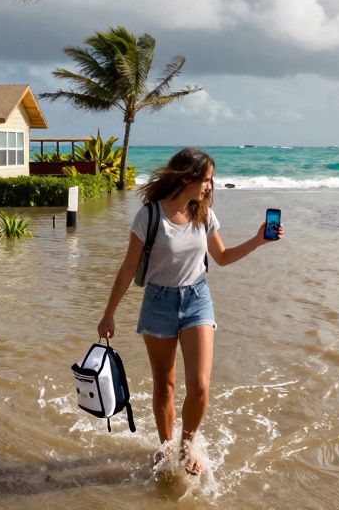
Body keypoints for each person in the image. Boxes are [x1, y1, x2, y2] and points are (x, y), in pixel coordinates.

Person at [96, 148, 283, 476]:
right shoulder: (150, 216)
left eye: (211, 179)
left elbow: (222, 258)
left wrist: (257, 240)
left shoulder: (205, 215)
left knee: (199, 386)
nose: (210, 186)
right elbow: (127, 268)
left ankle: (186, 446)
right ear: (187, 178)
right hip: (158, 303)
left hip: (197, 299)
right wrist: (109, 313)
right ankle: (165, 446)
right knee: (164, 385)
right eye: (206, 179)